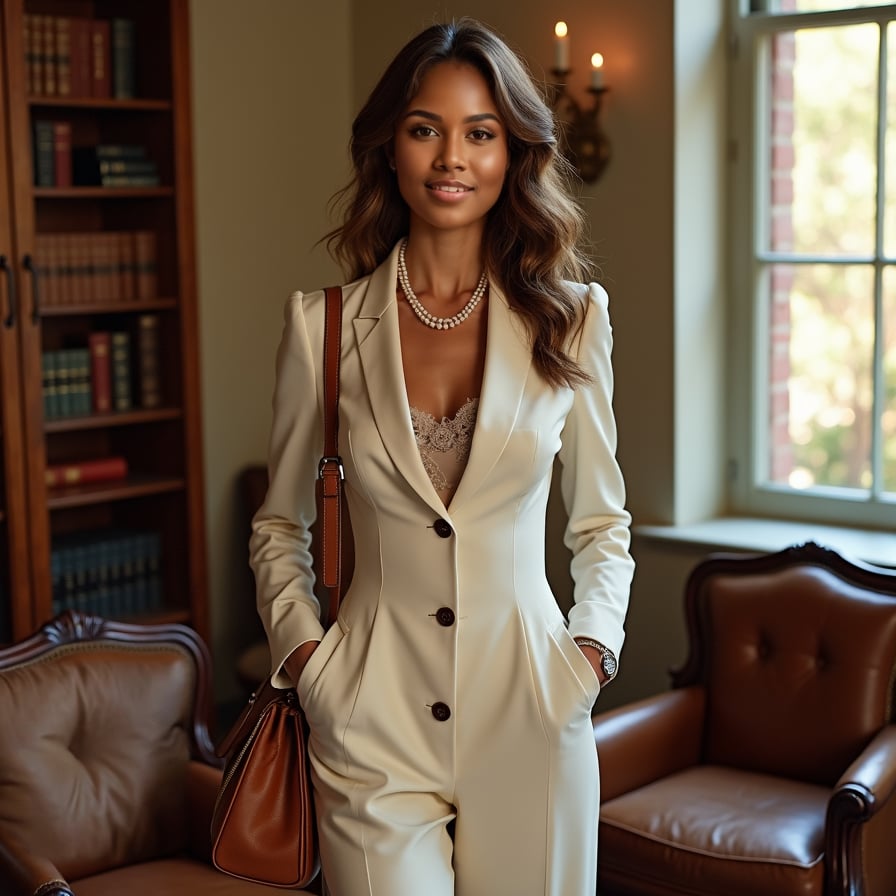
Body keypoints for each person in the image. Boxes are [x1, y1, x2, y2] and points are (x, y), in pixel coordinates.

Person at [249, 17, 635, 896]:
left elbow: (602, 520)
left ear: (513, 154)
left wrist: (589, 657)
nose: (451, 157)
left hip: (533, 709)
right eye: (426, 129)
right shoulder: (324, 326)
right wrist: (312, 664)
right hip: (370, 721)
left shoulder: (572, 318)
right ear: (390, 147)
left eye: (480, 133)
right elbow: (279, 523)